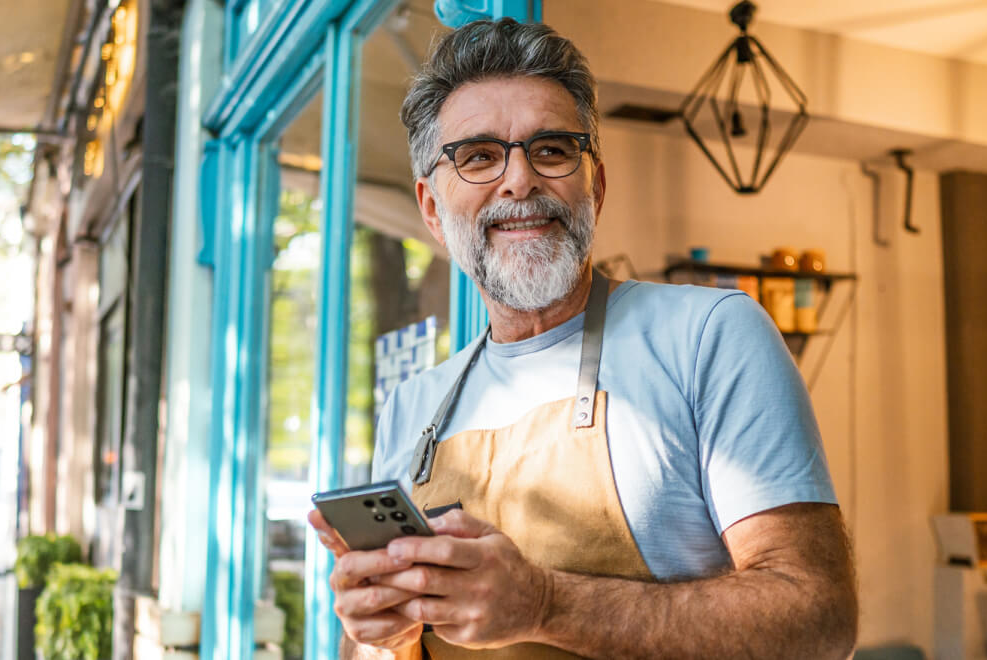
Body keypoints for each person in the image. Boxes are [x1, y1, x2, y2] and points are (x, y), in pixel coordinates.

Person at [306, 18, 857, 660]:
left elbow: (819, 620)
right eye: (479, 156)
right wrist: (384, 635)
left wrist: (544, 603)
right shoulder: (414, 406)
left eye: (551, 149)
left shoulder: (710, 335)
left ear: (594, 184)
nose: (519, 181)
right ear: (431, 208)